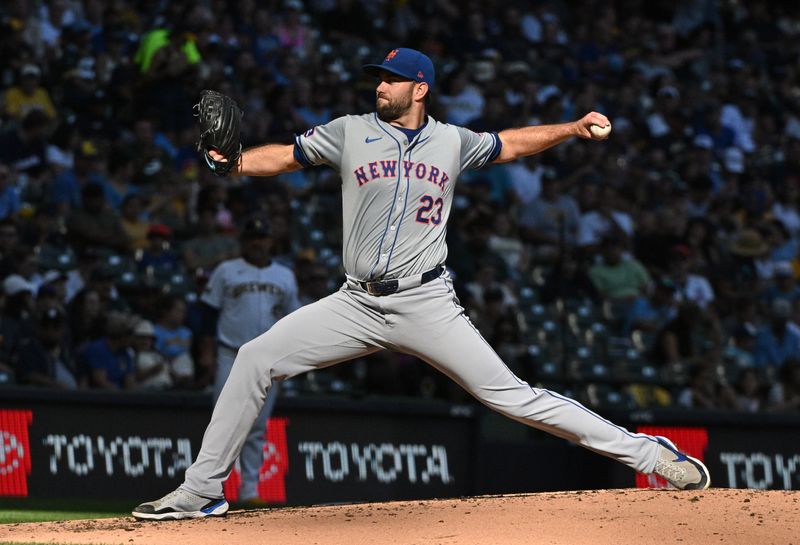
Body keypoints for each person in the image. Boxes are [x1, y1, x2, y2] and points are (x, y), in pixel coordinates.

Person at [133, 48, 710, 520]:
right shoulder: (349, 131)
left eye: (390, 80)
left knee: (512, 398)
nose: (379, 87)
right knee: (255, 358)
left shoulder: (452, 141)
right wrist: (231, 165)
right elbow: (284, 156)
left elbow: (509, 143)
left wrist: (574, 128)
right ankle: (202, 489)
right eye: (378, 79)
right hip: (356, 301)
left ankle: (649, 454)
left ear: (419, 87)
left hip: (426, 300)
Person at [195, 216, 300, 504]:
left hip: (269, 358)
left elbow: (294, 319)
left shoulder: (284, 275)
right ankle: (210, 489)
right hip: (230, 353)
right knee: (223, 422)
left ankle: (250, 490)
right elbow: (208, 314)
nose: (257, 242)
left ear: (270, 241)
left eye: (262, 237)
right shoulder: (227, 270)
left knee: (257, 426)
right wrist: (205, 352)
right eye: (252, 238)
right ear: (243, 242)